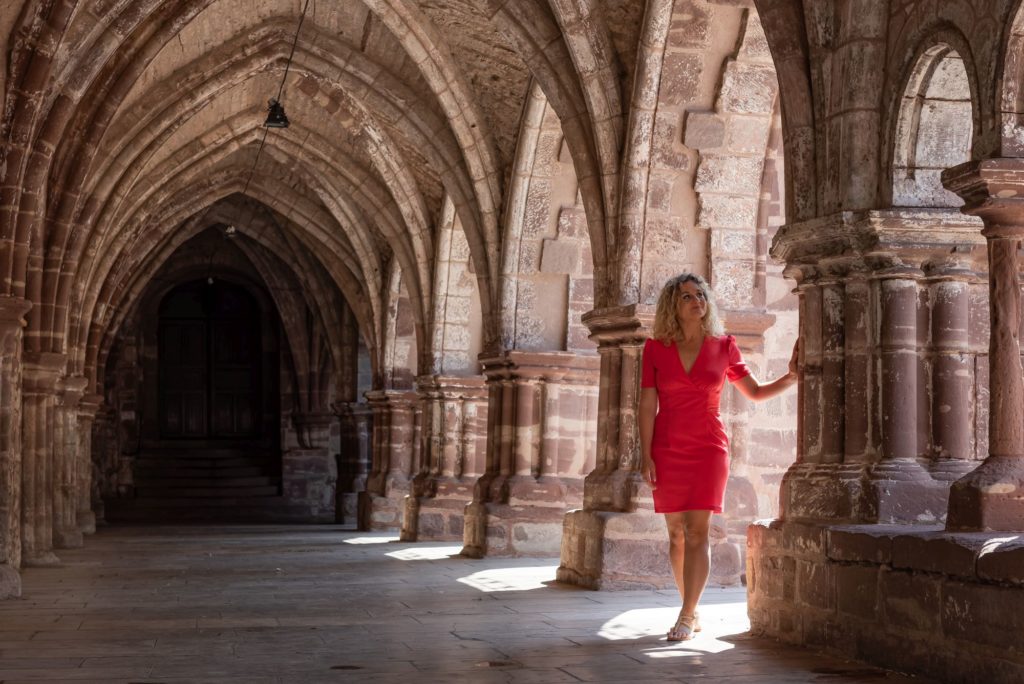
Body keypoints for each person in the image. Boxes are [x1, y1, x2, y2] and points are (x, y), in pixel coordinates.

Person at [638, 273, 798, 641]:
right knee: (676, 535)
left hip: (709, 447)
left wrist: (791, 377)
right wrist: (644, 454)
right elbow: (647, 404)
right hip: (667, 445)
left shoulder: (724, 346)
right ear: (672, 307)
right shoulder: (655, 349)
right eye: (686, 297)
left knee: (698, 532)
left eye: (701, 295)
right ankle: (688, 611)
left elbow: (754, 392)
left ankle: (686, 613)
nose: (697, 301)